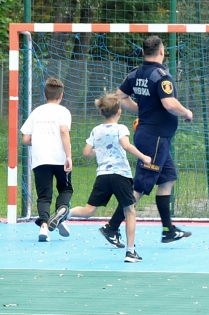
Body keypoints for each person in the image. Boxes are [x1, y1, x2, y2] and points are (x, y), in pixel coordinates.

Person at [97, 35, 194, 247]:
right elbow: (169, 104)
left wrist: (141, 109)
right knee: (140, 185)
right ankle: (111, 227)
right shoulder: (161, 76)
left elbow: (120, 96)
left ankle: (168, 229)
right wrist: (186, 112)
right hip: (155, 138)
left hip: (157, 137)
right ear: (162, 52)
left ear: (143, 52)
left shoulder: (135, 74)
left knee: (167, 178)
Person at [52, 94, 152, 262]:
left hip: (103, 176)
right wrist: (144, 157)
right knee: (130, 211)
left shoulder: (96, 130)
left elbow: (86, 153)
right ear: (119, 112)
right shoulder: (121, 129)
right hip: (120, 175)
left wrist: (97, 151)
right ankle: (130, 252)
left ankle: (66, 213)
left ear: (101, 113)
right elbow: (126, 146)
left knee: (88, 210)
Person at [20, 77, 74, 242]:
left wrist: (39, 139)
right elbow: (64, 131)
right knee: (65, 190)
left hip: (40, 160)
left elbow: (25, 139)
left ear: (45, 95)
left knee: (44, 196)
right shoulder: (63, 111)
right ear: (61, 96)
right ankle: (59, 216)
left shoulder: (37, 112)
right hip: (59, 159)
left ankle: (44, 227)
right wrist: (69, 156)